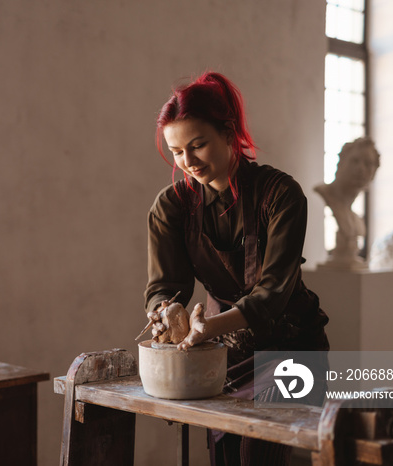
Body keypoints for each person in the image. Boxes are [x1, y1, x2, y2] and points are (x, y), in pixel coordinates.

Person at [144, 71, 330, 466]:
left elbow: (273, 292)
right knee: (224, 456)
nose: (188, 162)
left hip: (291, 348)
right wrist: (167, 312)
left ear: (229, 135)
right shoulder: (171, 207)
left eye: (198, 146)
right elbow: (165, 285)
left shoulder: (281, 195)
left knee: (256, 458)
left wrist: (208, 328)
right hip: (222, 355)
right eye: (177, 152)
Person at [314, 137, 380, 268]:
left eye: (368, 164)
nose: (361, 169)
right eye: (355, 161)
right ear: (341, 162)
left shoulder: (356, 219)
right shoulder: (323, 194)